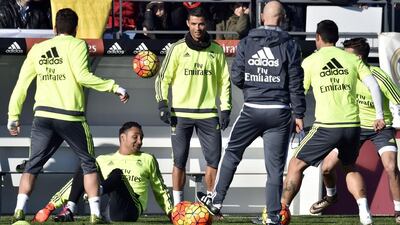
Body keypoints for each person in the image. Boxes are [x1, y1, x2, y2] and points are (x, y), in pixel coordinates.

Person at [7, 8, 129, 224]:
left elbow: (21, 85)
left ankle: (19, 211)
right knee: (88, 164)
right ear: (76, 29)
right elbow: (84, 77)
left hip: (43, 116)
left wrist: (13, 116)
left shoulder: (38, 49)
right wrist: (114, 87)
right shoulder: (78, 44)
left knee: (33, 165)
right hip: (70, 116)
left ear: (54, 28)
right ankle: (95, 215)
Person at [197, 1, 306, 224]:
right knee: (274, 170)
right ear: (283, 18)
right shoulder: (291, 44)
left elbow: (235, 75)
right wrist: (299, 114)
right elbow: (296, 82)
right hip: (279, 112)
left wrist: (254, 88)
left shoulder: (247, 42)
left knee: (232, 153)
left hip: (253, 110)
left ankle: (216, 201)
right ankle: (274, 217)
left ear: (262, 18)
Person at [280, 20, 385, 225]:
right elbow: (373, 85)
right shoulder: (351, 58)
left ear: (318, 37)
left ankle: (280, 211)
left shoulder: (311, 61)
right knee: (349, 167)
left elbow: (298, 91)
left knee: (295, 165)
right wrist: (379, 115)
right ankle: (365, 214)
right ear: (336, 38)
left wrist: (297, 115)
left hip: (327, 126)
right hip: (353, 126)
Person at [309, 37, 400, 224]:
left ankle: (398, 211)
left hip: (380, 129)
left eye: (346, 54)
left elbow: (398, 99)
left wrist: (382, 118)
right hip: (353, 128)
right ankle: (331, 196)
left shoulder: (379, 76)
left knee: (391, 167)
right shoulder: (344, 74)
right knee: (326, 168)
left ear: (358, 58)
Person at [154, 7, 231, 206]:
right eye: (194, 24)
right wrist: (163, 103)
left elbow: (224, 82)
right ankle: (178, 206)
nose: (197, 28)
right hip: (180, 114)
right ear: (188, 23)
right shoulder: (177, 48)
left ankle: (211, 204)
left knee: (214, 160)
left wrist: (225, 108)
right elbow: (163, 79)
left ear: (206, 24)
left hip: (208, 114)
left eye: (201, 24)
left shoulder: (216, 49)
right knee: (179, 160)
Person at [32, 122, 173, 223]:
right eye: (135, 137)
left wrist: (172, 214)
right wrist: (49, 207)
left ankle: (96, 192)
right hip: (111, 211)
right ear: (123, 138)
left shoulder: (147, 158)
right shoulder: (104, 160)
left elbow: (160, 189)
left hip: (132, 209)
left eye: (141, 137)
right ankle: (70, 209)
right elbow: (74, 184)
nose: (140, 141)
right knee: (87, 165)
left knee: (117, 174)